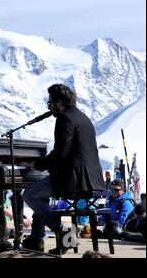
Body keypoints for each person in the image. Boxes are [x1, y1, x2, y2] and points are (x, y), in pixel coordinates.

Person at [20, 84, 105, 253]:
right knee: (40, 194)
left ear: (59, 102)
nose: (49, 106)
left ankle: (65, 233)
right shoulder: (82, 117)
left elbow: (61, 152)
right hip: (91, 177)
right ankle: (37, 237)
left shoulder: (65, 118)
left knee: (29, 194)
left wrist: (36, 164)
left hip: (75, 178)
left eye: (50, 102)